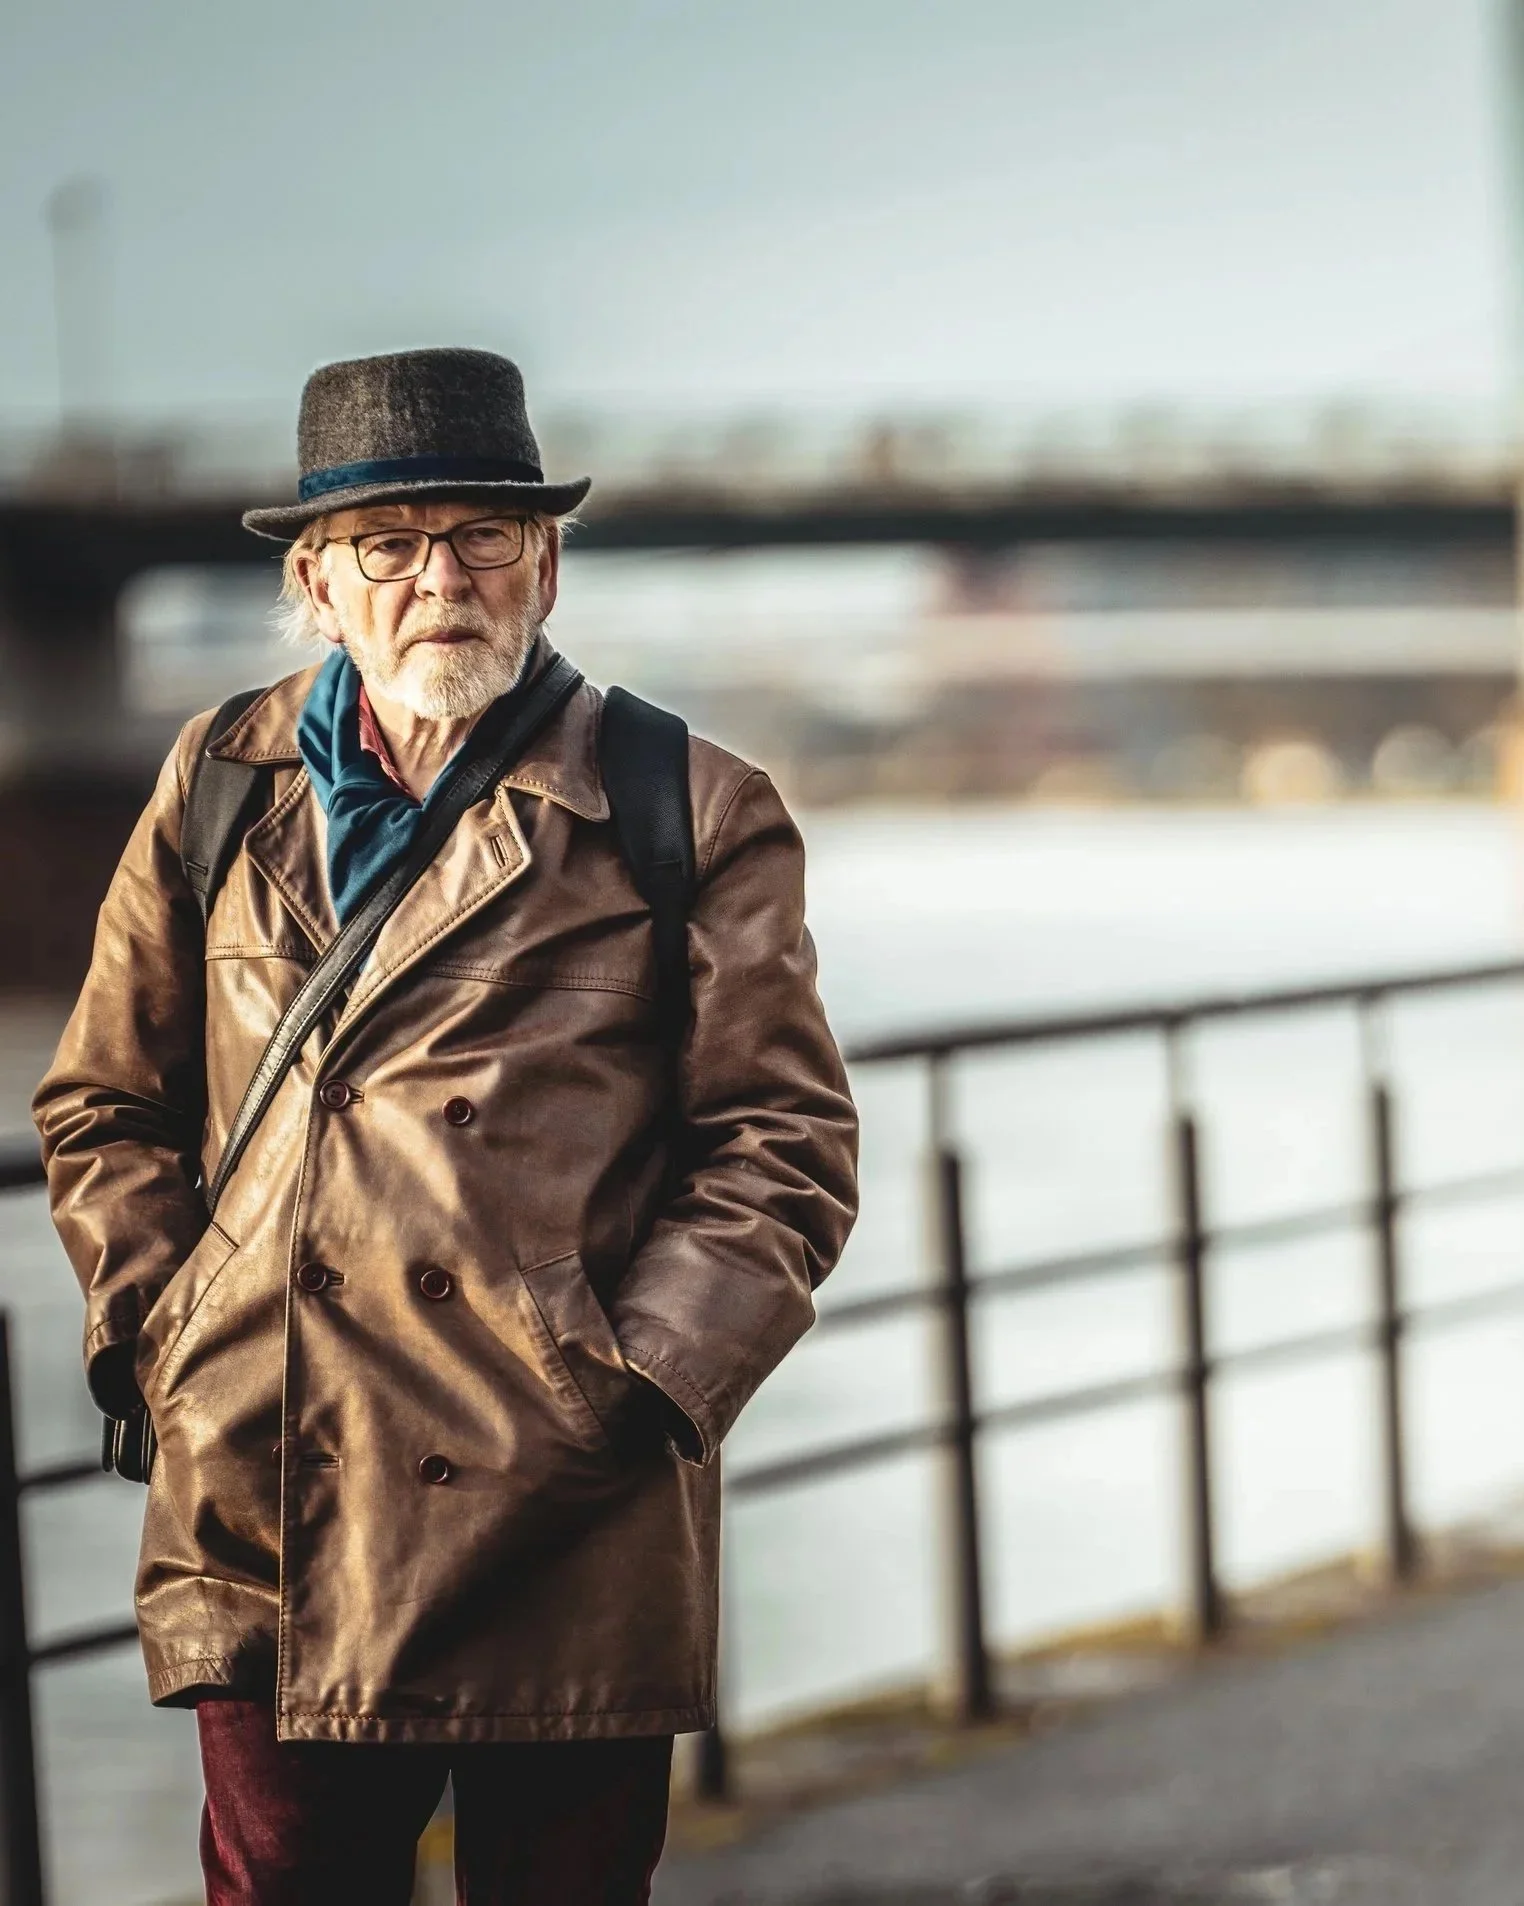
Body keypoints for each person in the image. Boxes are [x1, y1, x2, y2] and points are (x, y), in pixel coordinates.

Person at [32, 347, 859, 1905]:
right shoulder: (219, 779)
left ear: (545, 565)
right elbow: (104, 1100)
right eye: (389, 543)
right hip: (268, 1483)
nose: (439, 580)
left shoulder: (686, 798)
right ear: (319, 583)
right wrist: (164, 1326)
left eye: (481, 535)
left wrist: (631, 1381)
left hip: (565, 1498)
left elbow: (783, 1141)